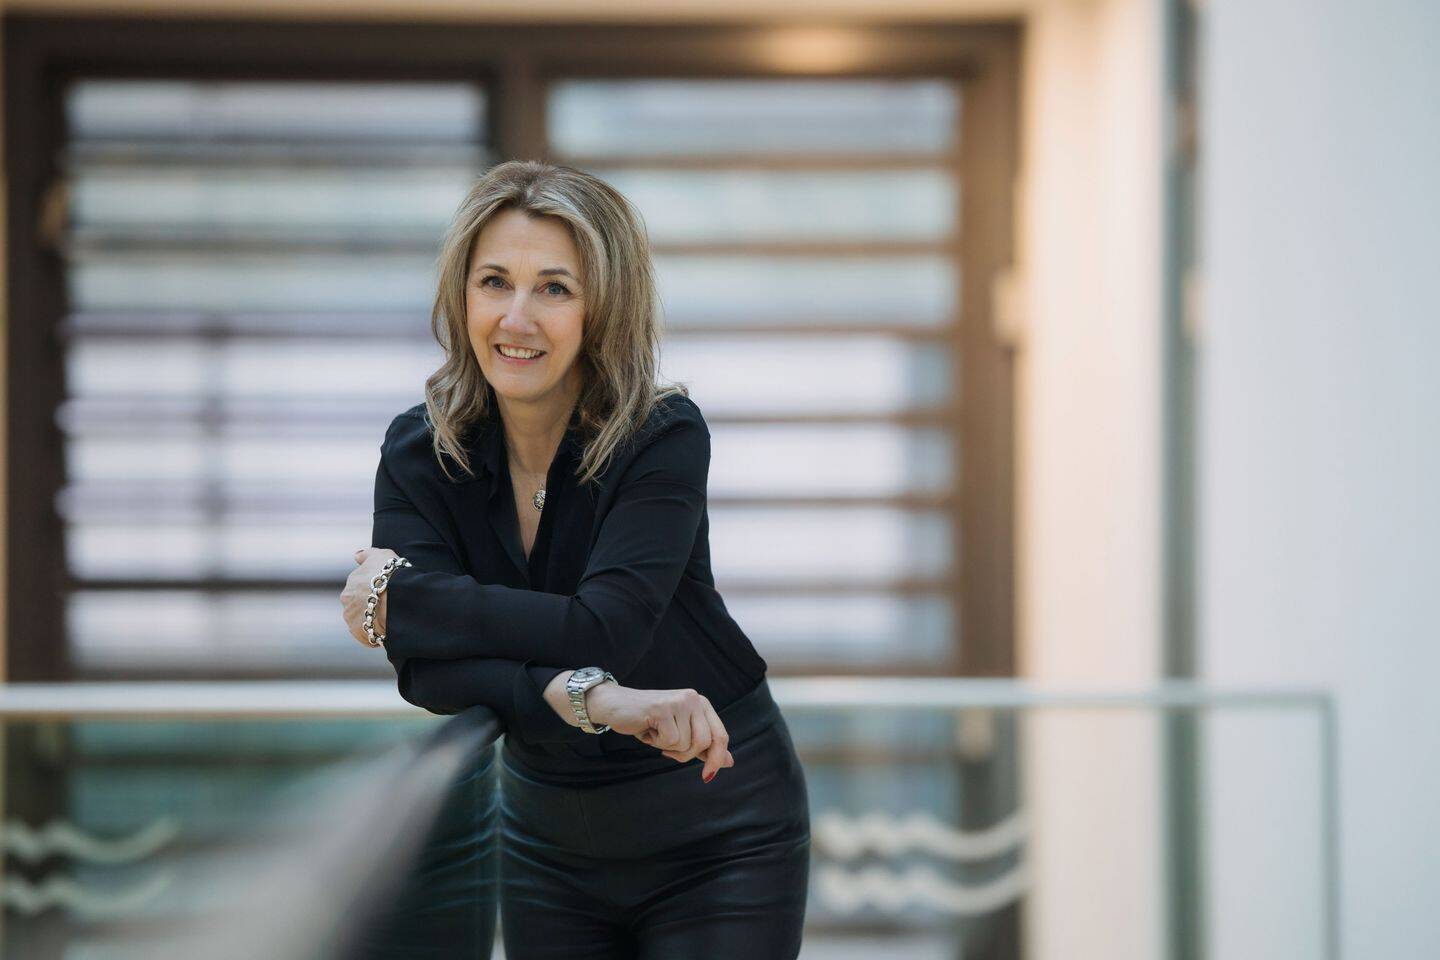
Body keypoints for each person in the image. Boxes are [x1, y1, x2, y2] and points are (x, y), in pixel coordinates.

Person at [339, 159, 810, 959]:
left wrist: (404, 600)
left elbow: (605, 629)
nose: (516, 317)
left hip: (718, 830)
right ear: (461, 295)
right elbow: (423, 673)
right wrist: (575, 694)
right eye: (494, 282)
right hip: (545, 843)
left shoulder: (661, 435)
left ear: (604, 310)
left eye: (554, 289)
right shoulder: (419, 450)